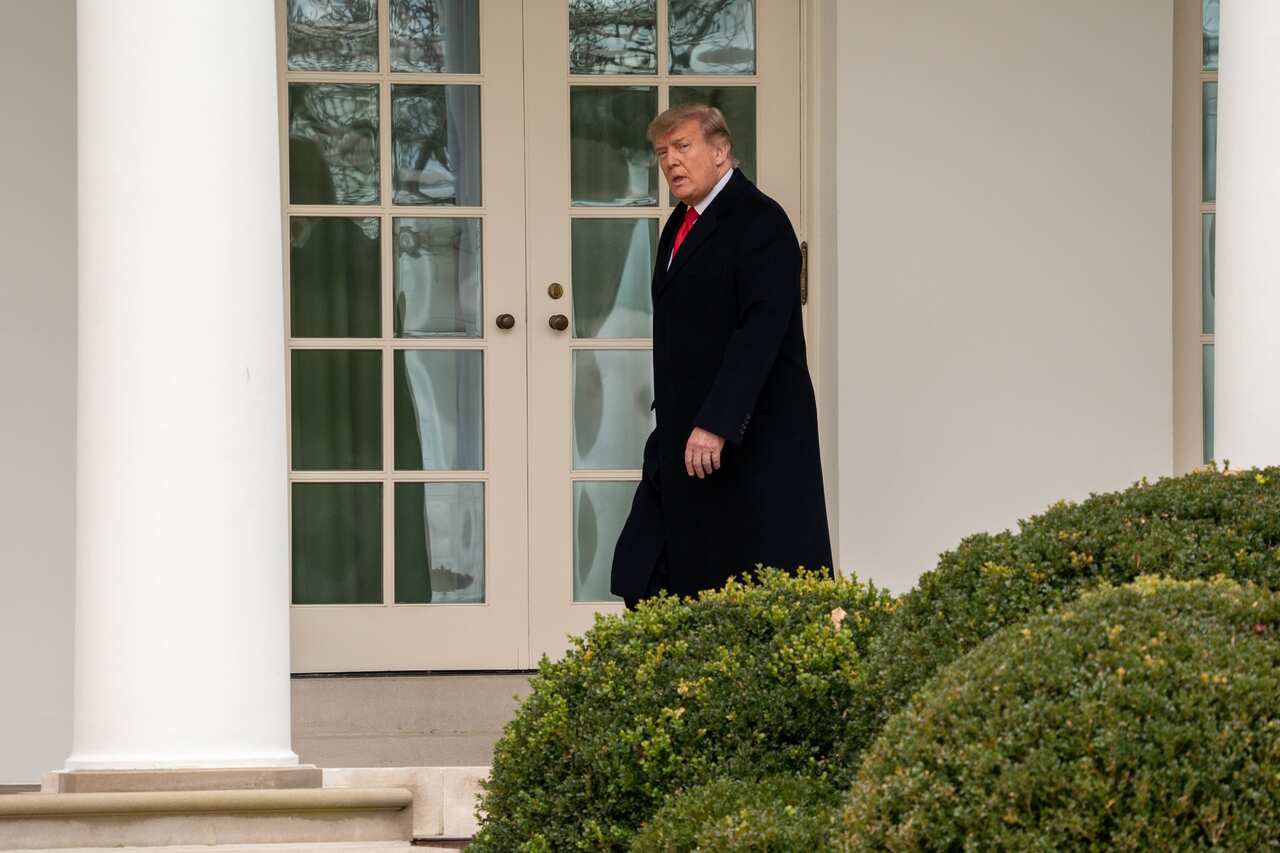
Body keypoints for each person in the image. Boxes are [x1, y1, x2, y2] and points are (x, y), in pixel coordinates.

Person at [610, 103, 833, 610]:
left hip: (750, 435)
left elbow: (761, 331)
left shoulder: (761, 221)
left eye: (683, 147)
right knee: (656, 563)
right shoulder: (681, 222)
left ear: (720, 150)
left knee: (759, 570)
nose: (670, 162)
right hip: (688, 430)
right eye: (662, 152)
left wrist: (717, 422)